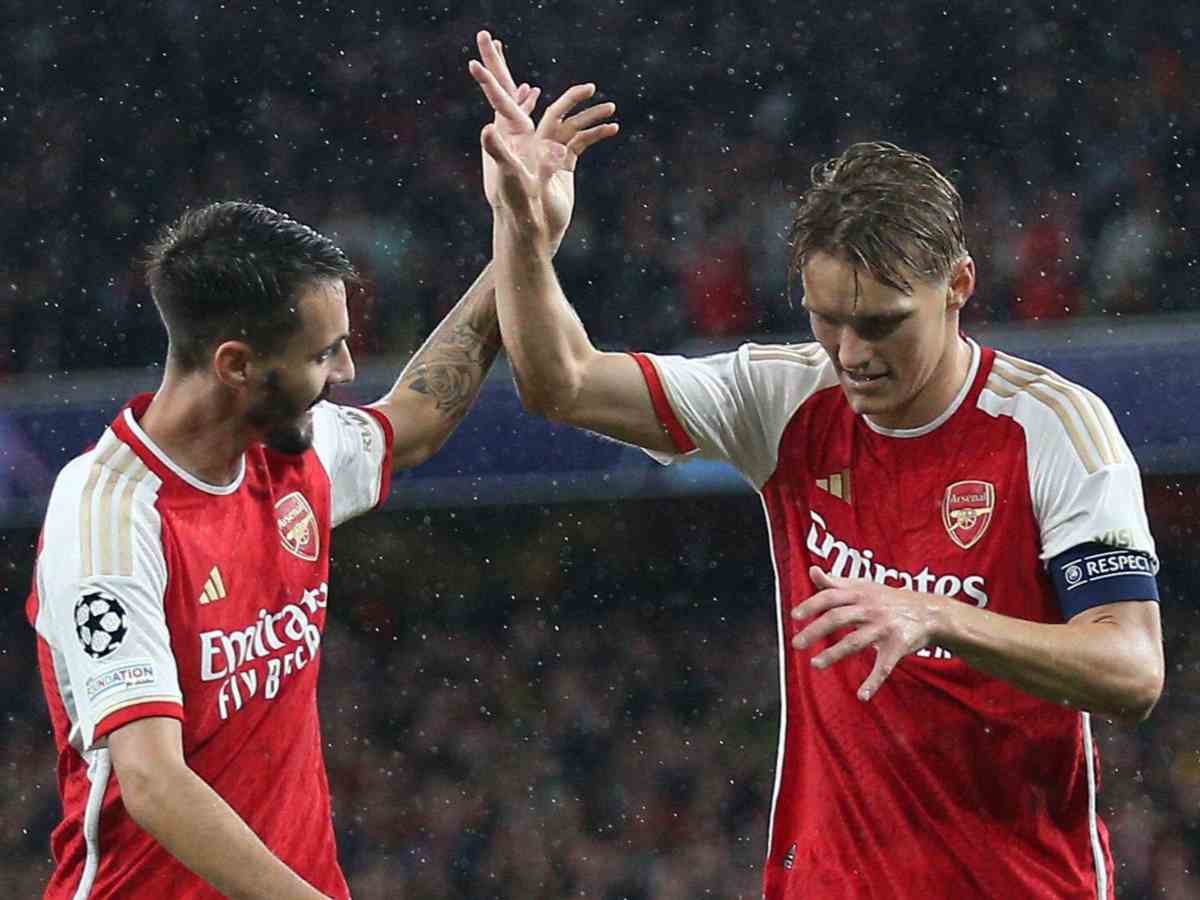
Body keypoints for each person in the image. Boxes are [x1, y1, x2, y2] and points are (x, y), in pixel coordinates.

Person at [471, 32, 1165, 899]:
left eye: (880, 324)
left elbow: (1133, 671)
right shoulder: (786, 397)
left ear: (958, 286)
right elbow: (561, 382)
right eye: (826, 319)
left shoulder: (1054, 429)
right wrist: (522, 231)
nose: (849, 355)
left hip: (1019, 883)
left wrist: (938, 615)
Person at [26, 43, 616, 899]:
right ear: (234, 363)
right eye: (323, 354)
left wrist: (521, 240)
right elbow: (152, 783)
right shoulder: (110, 512)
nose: (343, 374)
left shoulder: (282, 454)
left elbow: (411, 421)